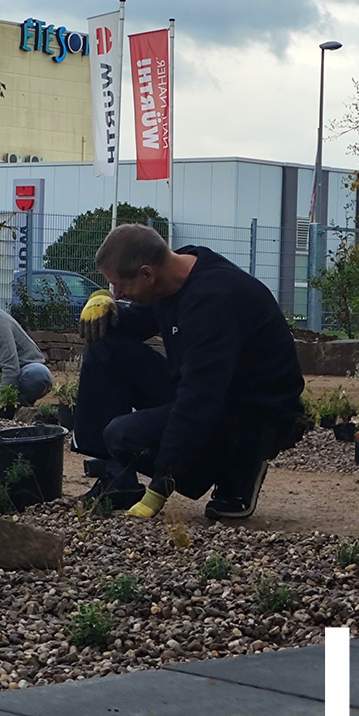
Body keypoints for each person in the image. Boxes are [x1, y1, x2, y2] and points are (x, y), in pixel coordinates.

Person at [75, 223, 303, 520]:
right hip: (214, 391)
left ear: (147, 273)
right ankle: (118, 480)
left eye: (120, 286)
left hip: (256, 414)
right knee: (105, 348)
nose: (117, 293)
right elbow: (136, 324)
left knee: (123, 435)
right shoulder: (172, 276)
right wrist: (104, 307)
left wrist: (161, 484)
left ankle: (240, 469)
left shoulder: (213, 302)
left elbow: (198, 401)